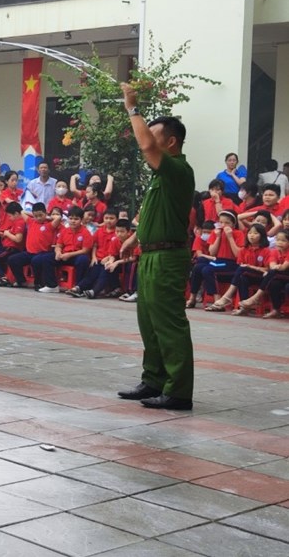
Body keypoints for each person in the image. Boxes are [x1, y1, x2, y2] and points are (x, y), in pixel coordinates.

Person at [116, 82, 195, 411]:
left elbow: (146, 145)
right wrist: (134, 238)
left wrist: (132, 107)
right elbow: (153, 212)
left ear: (171, 141)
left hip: (168, 257)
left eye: (154, 133)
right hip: (150, 255)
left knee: (169, 323)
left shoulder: (178, 169)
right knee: (149, 321)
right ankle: (154, 380)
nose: (147, 138)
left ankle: (178, 391)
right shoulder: (161, 177)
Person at [205, 224, 270, 313]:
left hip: (261, 277)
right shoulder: (244, 250)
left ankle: (227, 297)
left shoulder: (266, 251)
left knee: (241, 269)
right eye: (250, 233)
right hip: (247, 275)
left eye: (255, 233)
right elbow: (240, 264)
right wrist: (247, 267)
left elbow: (267, 270)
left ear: (262, 236)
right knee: (242, 277)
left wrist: (250, 267)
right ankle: (244, 307)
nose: (252, 235)